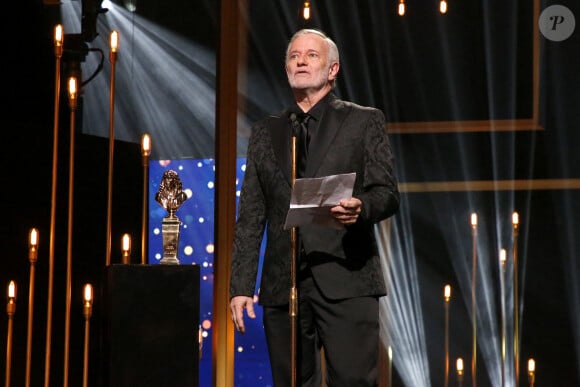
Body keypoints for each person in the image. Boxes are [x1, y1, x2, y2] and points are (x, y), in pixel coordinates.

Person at [230, 28, 400, 387]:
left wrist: (361, 207)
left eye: (311, 55)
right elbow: (250, 214)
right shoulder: (267, 130)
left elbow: (386, 192)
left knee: (353, 380)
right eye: (294, 56)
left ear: (333, 69)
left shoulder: (363, 121)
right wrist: (241, 286)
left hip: (346, 276)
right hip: (284, 283)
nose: (301, 61)